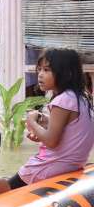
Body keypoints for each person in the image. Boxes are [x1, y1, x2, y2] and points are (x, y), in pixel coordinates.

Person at [9, 48, 94, 189]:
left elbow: (51, 141)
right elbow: (72, 129)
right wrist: (44, 124)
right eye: (40, 69)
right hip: (70, 166)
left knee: (4, 188)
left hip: (48, 167)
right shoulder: (81, 98)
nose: (40, 75)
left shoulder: (62, 100)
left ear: (66, 73)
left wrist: (32, 123)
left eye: (47, 70)